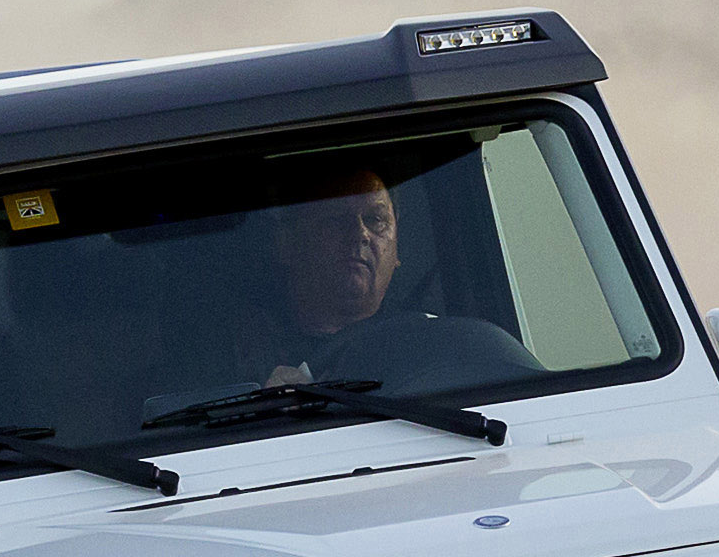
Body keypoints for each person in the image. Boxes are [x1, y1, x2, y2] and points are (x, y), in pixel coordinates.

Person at [190, 170, 541, 400]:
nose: (359, 234)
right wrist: (258, 410)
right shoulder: (227, 353)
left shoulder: (436, 344)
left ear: (397, 248)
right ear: (286, 244)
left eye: (375, 220)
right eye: (336, 221)